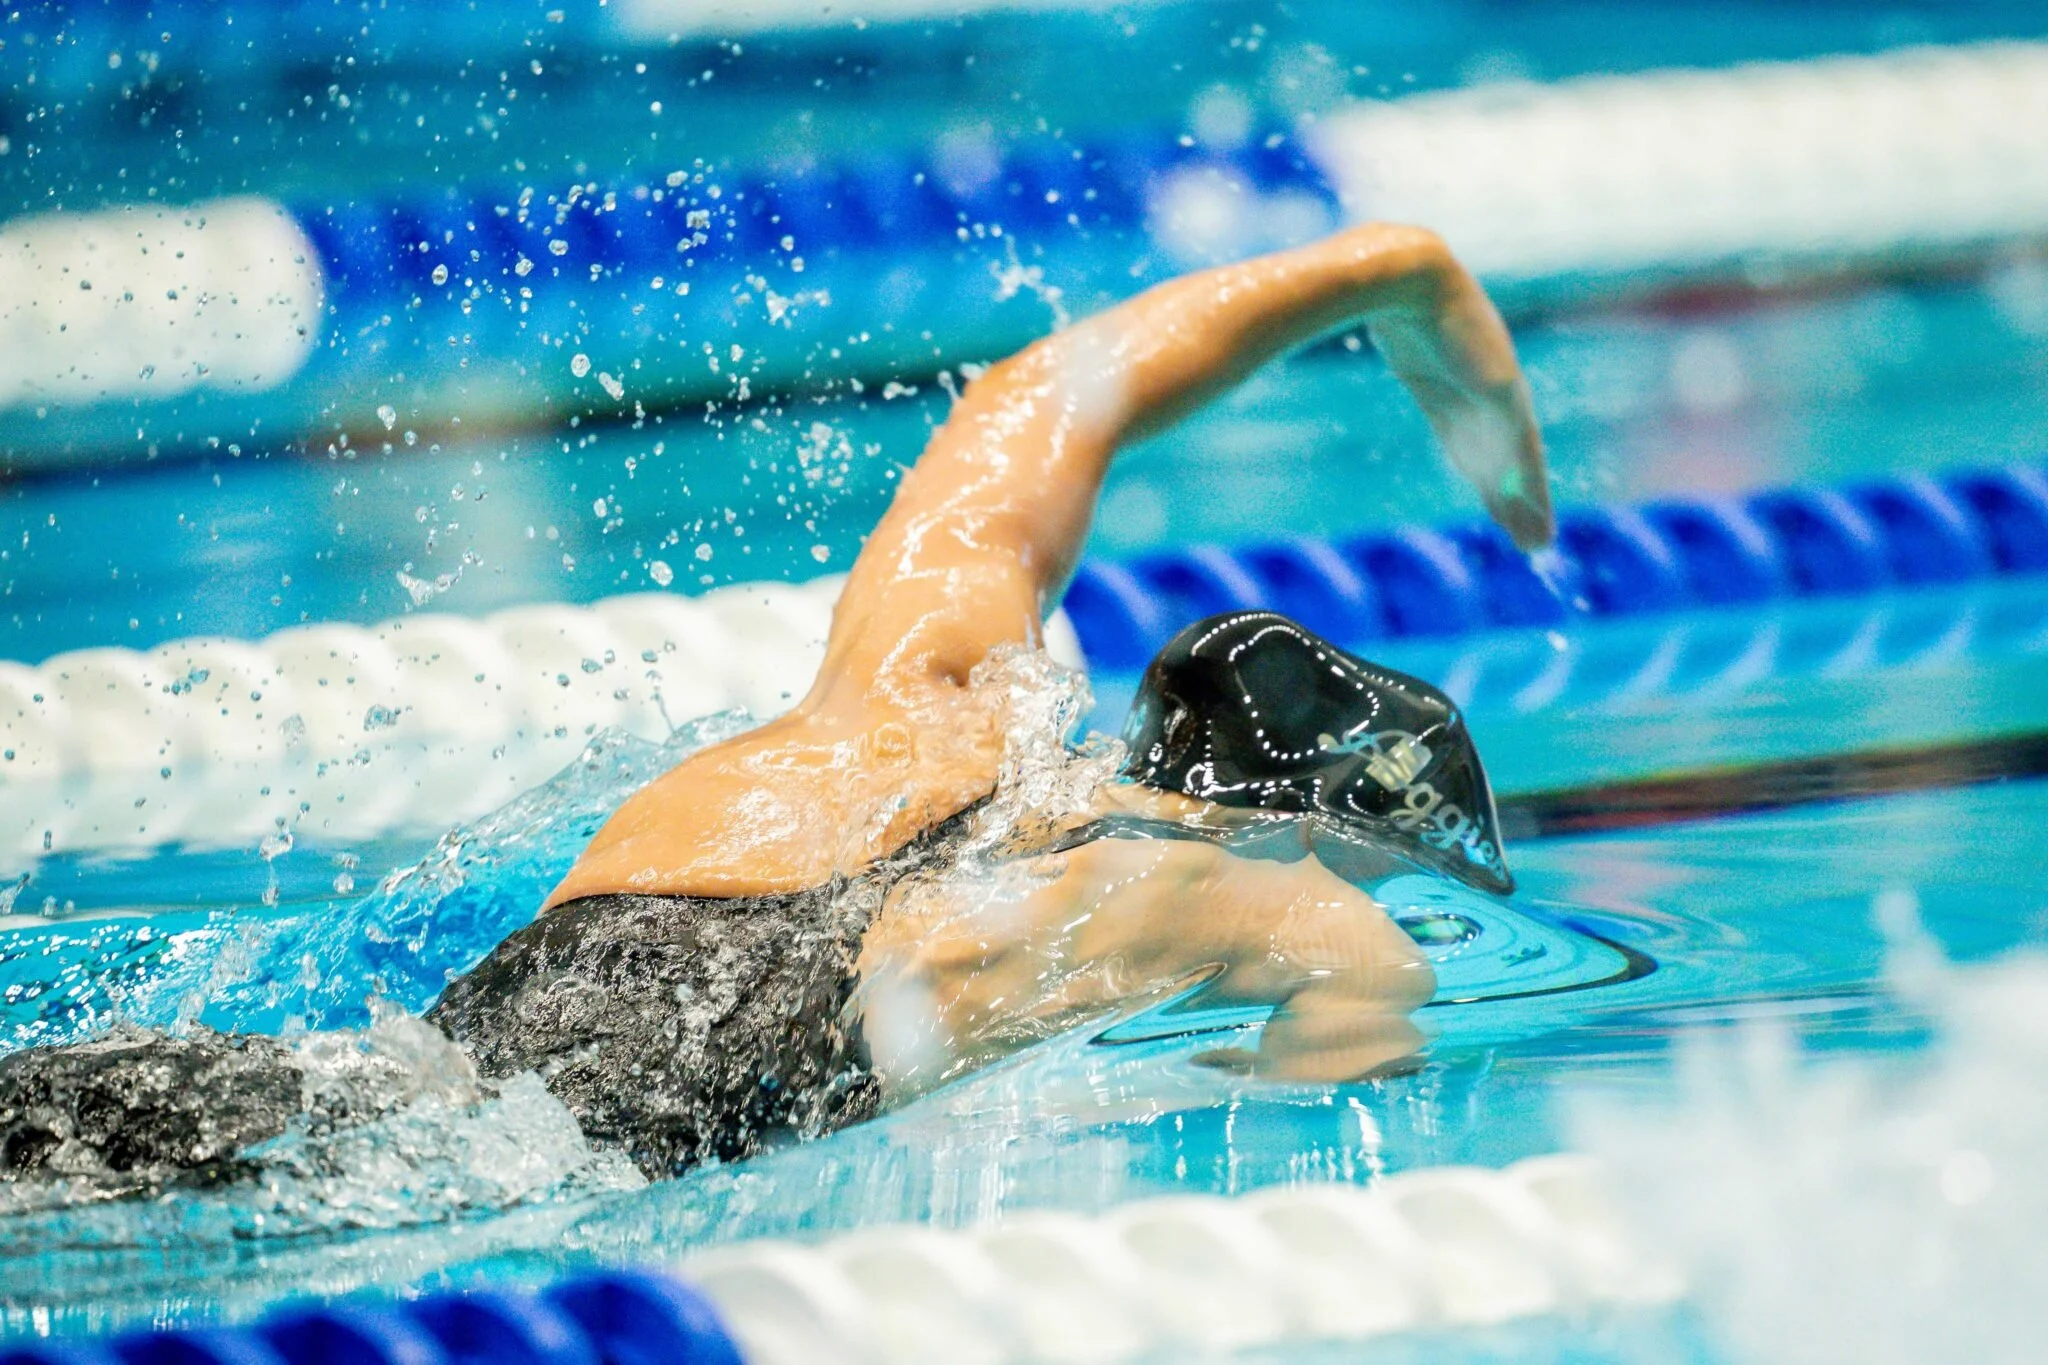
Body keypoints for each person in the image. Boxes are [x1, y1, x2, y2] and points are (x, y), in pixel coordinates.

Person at [0, 222, 1549, 1192]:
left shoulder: (937, 694)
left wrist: (1391, 271)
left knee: (296, 1109)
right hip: (748, 1048)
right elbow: (1299, 1177)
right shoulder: (1298, 912)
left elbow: (1039, 405)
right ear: (1326, 820)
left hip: (560, 970)